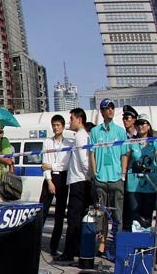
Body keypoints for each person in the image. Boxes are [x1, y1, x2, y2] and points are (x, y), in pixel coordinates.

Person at [90, 98, 129, 254]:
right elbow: (91, 153)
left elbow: (125, 154)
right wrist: (94, 173)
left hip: (116, 178)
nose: (110, 110)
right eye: (107, 108)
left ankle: (118, 244)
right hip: (100, 179)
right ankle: (102, 243)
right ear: (102, 111)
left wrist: (123, 174)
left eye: (112, 107)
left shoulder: (120, 131)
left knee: (118, 213)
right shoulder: (94, 132)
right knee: (100, 214)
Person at [56, 108, 92, 263]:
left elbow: (85, 161)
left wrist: (87, 177)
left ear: (79, 119)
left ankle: (70, 252)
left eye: (71, 118)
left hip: (79, 181)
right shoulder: (81, 136)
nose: (70, 121)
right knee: (75, 218)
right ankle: (75, 249)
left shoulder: (81, 137)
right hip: (78, 180)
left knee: (73, 218)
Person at [39, 115, 72, 255]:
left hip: (62, 177)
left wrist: (51, 165)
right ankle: (35, 241)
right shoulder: (47, 142)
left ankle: (54, 246)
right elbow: (44, 162)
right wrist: (49, 180)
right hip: (49, 178)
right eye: (54, 125)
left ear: (63, 126)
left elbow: (64, 164)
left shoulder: (69, 143)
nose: (55, 127)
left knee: (59, 214)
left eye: (58, 125)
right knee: (42, 211)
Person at [126, 115, 156, 230]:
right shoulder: (131, 142)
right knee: (135, 218)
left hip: (150, 185)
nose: (140, 126)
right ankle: (135, 245)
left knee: (147, 218)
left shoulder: (154, 142)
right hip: (134, 185)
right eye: (138, 123)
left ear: (148, 126)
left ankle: (145, 247)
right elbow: (126, 160)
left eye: (143, 123)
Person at [122, 105, 140, 229]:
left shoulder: (143, 136)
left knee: (138, 210)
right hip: (125, 177)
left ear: (134, 119)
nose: (124, 120)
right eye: (123, 118)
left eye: (127, 117)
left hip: (141, 180)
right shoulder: (122, 137)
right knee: (126, 211)